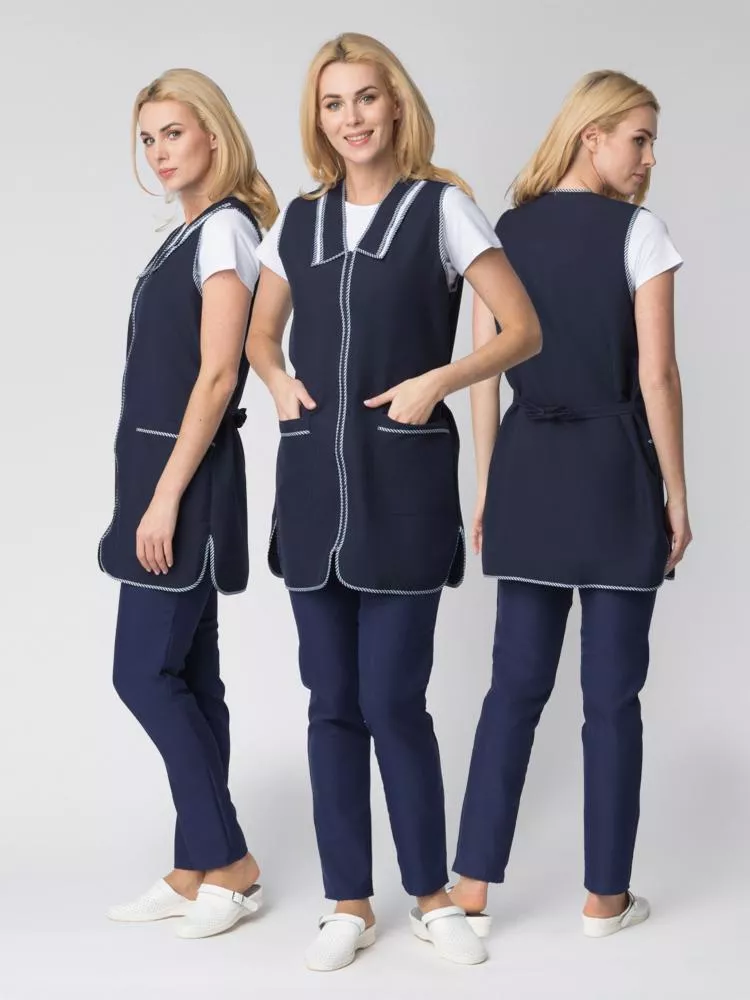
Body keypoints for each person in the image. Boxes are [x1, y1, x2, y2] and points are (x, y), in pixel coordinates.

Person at [247, 32, 541, 971]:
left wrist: (440, 381)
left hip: (404, 487)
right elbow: (259, 335)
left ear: (396, 104)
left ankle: (431, 897)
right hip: (311, 494)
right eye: (334, 103)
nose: (353, 118)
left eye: (366, 98)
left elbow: (523, 330)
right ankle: (347, 903)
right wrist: (276, 380)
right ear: (318, 118)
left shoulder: (442, 209)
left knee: (393, 700)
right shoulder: (297, 221)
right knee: (331, 701)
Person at [451, 69, 692, 940]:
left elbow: (483, 376)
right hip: (614, 474)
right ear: (592, 136)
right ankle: (604, 900)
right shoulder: (640, 232)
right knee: (611, 698)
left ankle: (470, 888)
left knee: (512, 688)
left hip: (527, 472)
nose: (649, 157)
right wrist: (676, 494)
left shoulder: (502, 232)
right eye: (639, 138)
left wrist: (488, 484)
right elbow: (658, 376)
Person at [99, 68, 278, 939]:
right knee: (190, 677)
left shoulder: (225, 232)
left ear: (213, 132)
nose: (160, 151)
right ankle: (194, 865)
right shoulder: (189, 235)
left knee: (141, 674)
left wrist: (166, 496)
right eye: (148, 139)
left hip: (186, 481)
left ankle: (230, 862)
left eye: (173, 132)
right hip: (162, 474)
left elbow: (217, 375)